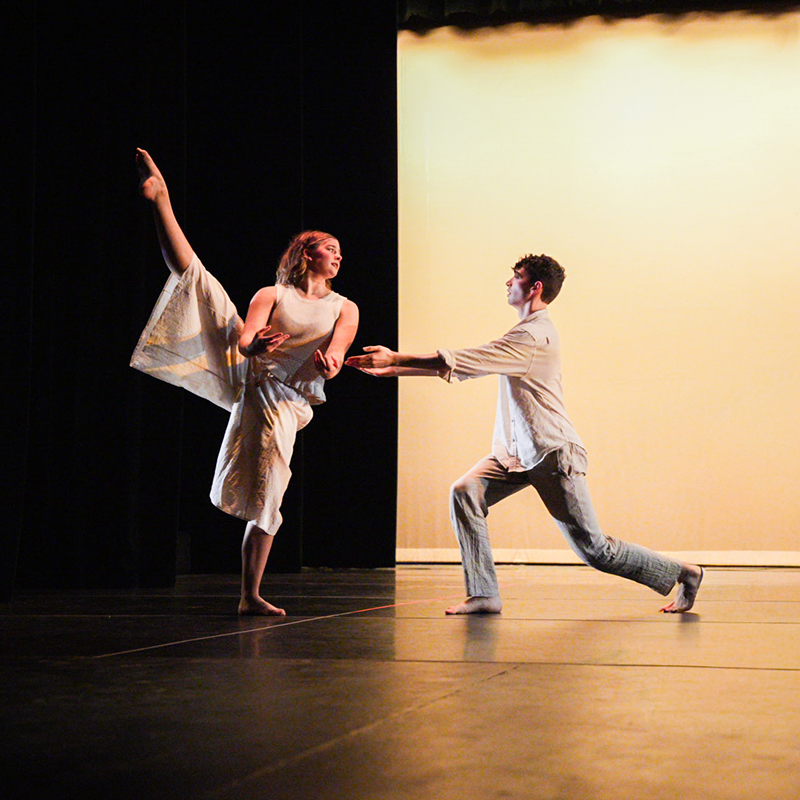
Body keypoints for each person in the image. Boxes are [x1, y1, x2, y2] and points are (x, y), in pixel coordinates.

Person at [346, 254, 703, 615]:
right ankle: (484, 593)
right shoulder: (524, 334)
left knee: (595, 551)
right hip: (516, 455)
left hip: (551, 453)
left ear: (535, 287)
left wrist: (396, 358)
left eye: (515, 277)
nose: (508, 282)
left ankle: (685, 573)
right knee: (465, 491)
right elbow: (473, 366)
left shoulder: (533, 335)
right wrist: (394, 370)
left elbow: (470, 359)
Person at [132, 148, 359, 616]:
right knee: (202, 286)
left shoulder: (344, 306)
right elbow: (247, 335)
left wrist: (332, 364)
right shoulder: (271, 293)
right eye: (328, 246)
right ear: (304, 253)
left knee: (270, 489)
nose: (337, 254)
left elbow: (337, 353)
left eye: (340, 250)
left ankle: (248, 593)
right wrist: (253, 346)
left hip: (293, 395)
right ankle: (161, 199)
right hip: (255, 376)